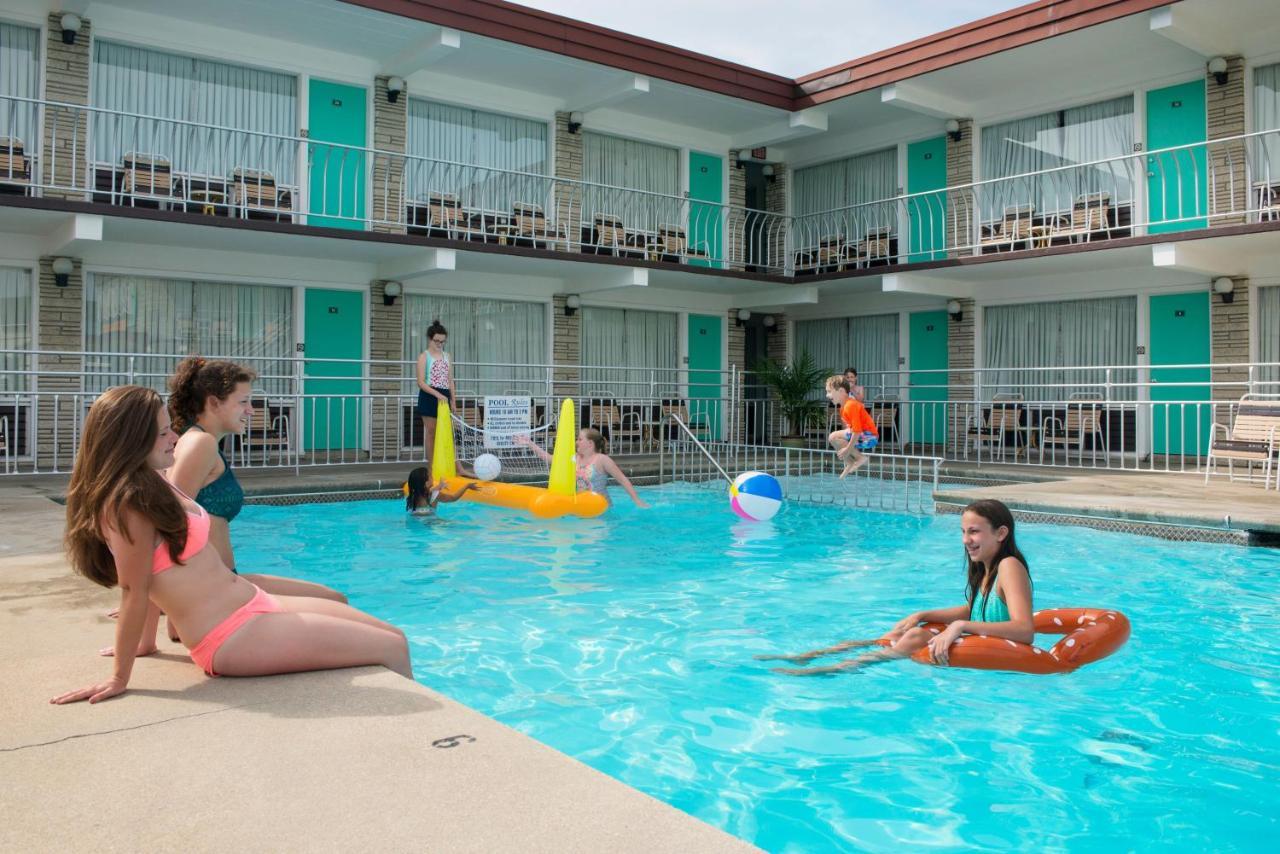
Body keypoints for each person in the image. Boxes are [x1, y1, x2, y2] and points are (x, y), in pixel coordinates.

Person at [52, 386, 411, 705]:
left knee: (394, 635)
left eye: (170, 428)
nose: (174, 437)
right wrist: (120, 676)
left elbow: (153, 573)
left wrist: (149, 643)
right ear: (130, 442)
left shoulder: (154, 483)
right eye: (162, 432)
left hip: (253, 603)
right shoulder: (125, 505)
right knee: (391, 648)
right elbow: (135, 588)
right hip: (228, 634)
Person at [757, 499, 1033, 675]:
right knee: (901, 631)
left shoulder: (1009, 566)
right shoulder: (986, 568)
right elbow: (977, 611)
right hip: (983, 642)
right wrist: (924, 614)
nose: (965, 540)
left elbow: (1024, 630)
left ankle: (837, 669)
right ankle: (811, 656)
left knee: (914, 638)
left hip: (1004, 652)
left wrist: (959, 627)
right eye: (963, 532)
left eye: (974, 532)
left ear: (1001, 533)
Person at [166, 357, 347, 604]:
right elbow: (167, 522)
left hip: (223, 582)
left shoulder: (203, 442)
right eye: (243, 402)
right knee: (335, 600)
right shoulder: (200, 443)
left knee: (334, 598)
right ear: (213, 403)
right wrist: (162, 606)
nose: (251, 410)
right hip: (214, 592)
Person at [514, 428, 649, 508]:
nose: (576, 441)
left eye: (579, 439)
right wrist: (529, 444)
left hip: (601, 508)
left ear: (590, 443)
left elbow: (622, 480)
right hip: (581, 506)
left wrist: (636, 500)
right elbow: (549, 458)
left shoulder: (602, 460)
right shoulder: (574, 458)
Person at [415, 320, 455, 474]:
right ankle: (431, 468)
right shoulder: (423, 357)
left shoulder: (447, 356)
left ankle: (447, 466)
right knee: (431, 432)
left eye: (442, 341)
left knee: (445, 432)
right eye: (436, 341)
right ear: (430, 339)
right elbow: (420, 382)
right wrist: (438, 394)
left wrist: (453, 399)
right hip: (429, 395)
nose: (439, 344)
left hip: (444, 395)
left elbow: (450, 380)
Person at [825, 375, 878, 478]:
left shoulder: (850, 405)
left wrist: (848, 449)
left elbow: (856, 431)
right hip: (864, 437)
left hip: (869, 436)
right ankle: (849, 462)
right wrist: (845, 448)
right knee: (833, 438)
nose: (827, 395)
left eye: (829, 391)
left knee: (833, 436)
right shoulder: (843, 408)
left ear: (840, 391)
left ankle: (860, 458)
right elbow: (851, 430)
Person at [405, 465, 476, 515]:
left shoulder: (412, 497)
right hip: (430, 522)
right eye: (430, 476)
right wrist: (467, 486)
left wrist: (439, 486)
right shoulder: (435, 495)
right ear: (426, 483)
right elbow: (453, 497)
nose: (432, 476)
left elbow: (426, 491)